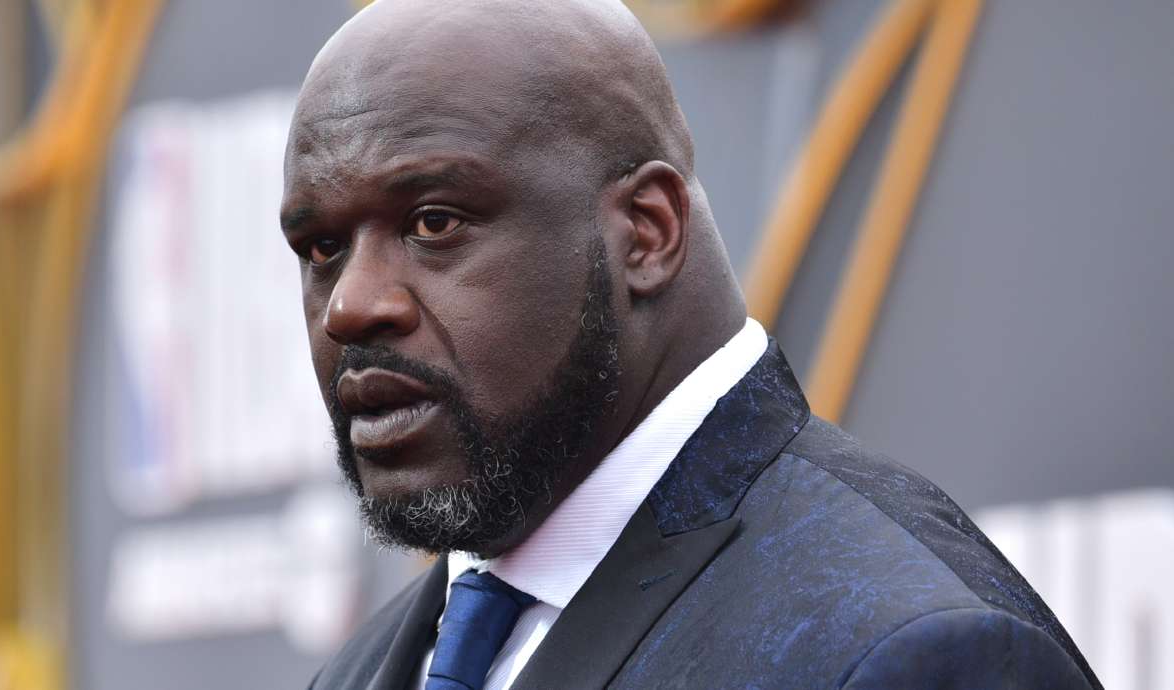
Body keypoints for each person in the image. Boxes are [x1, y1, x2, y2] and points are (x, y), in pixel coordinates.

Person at [279, 0, 1099, 688]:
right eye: (322, 249)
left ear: (647, 232)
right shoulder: (364, 671)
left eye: (434, 223)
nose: (350, 307)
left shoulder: (902, 654)